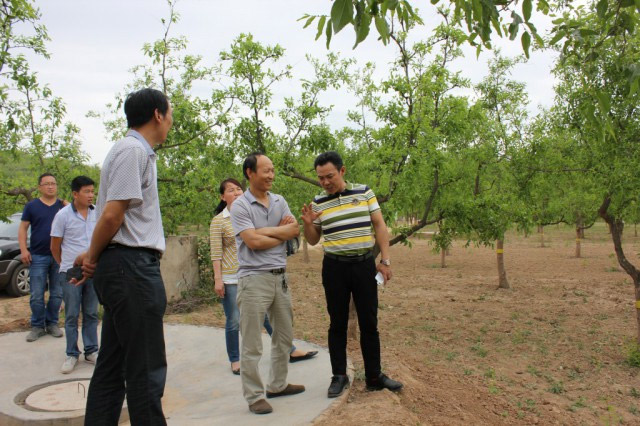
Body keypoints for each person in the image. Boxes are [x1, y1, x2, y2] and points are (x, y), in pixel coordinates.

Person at [75, 88, 173, 426]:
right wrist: (92, 255)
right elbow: (112, 216)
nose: (170, 121)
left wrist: (94, 256)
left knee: (112, 365)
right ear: (158, 115)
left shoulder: (127, 150)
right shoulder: (134, 151)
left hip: (120, 268)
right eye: (170, 114)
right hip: (131, 270)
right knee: (146, 369)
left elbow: (112, 215)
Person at [301, 151, 403, 398]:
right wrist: (307, 223)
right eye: (320, 178)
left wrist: (385, 260)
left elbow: (379, 225)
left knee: (369, 322)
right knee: (337, 323)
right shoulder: (318, 203)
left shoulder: (364, 193)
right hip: (335, 268)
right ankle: (339, 376)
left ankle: (374, 376)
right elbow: (314, 239)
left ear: (342, 171)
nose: (325, 182)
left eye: (330, 176)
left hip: (364, 265)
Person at [210, 179, 317, 376]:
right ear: (222, 197)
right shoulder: (219, 221)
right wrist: (218, 279)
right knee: (234, 320)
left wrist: (262, 233)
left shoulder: (255, 214)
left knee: (270, 319)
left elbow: (286, 231)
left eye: (238, 189)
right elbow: (217, 252)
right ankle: (235, 359)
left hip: (261, 273)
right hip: (233, 277)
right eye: (230, 190)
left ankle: (290, 350)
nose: (236, 192)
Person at [230, 153, 305, 415]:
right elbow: (253, 243)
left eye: (273, 170)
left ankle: (278, 384)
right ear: (250, 172)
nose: (271, 175)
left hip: (280, 277)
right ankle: (254, 396)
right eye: (266, 171)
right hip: (253, 280)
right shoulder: (240, 206)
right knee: (252, 342)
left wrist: (266, 232)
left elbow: (295, 230)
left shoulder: (279, 201)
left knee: (284, 335)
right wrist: (278, 233)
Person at [50, 176, 98, 374]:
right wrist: (66, 266)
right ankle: (71, 353)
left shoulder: (98, 213)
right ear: (75, 193)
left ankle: (91, 350)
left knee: (91, 312)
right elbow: (54, 246)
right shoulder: (62, 216)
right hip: (71, 272)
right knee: (71, 314)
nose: (90, 195)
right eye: (86, 191)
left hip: (93, 270)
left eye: (92, 191)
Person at [19, 173, 66, 342]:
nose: (50, 186)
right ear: (40, 187)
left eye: (53, 183)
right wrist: (24, 249)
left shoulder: (63, 205)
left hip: (59, 257)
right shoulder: (32, 206)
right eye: (46, 184)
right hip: (38, 255)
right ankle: (37, 326)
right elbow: (23, 228)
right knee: (37, 294)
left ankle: (52, 323)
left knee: (57, 294)